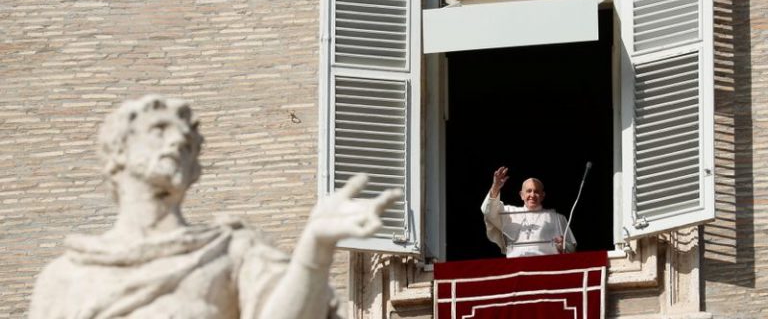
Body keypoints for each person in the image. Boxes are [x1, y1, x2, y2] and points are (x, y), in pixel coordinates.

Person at [29, 95, 401, 319]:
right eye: (159, 129)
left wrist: (315, 249)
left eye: (189, 142)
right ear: (117, 151)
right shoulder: (63, 278)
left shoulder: (232, 251)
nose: (177, 141)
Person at [481, 166, 576, 258]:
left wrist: (563, 246)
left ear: (542, 196)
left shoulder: (558, 218)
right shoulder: (509, 213)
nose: (532, 195)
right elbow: (489, 211)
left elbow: (572, 251)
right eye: (529, 191)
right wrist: (495, 187)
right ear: (522, 195)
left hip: (546, 266)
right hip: (516, 267)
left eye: (536, 191)